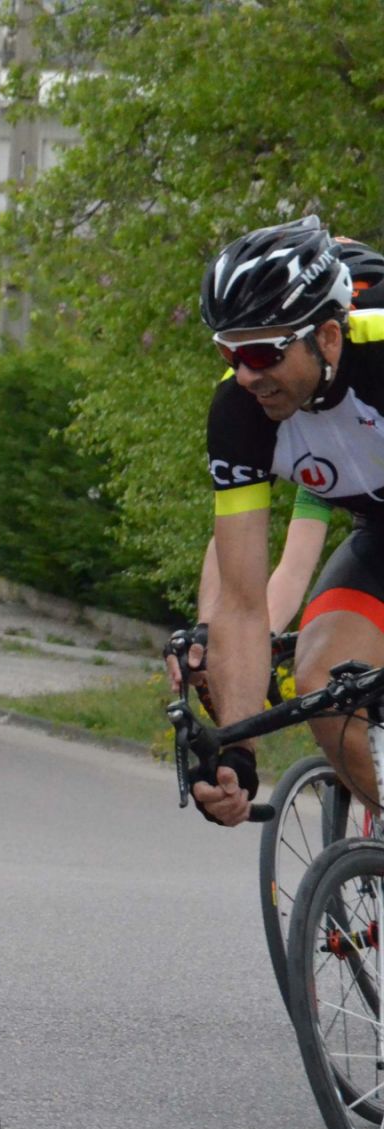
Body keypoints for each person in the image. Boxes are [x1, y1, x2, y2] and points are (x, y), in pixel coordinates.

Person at [194, 216, 384, 823]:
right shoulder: (239, 412)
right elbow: (240, 603)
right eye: (229, 352)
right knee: (325, 683)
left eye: (261, 353)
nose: (246, 374)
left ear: (327, 337)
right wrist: (237, 752)